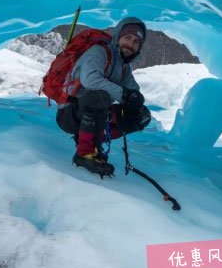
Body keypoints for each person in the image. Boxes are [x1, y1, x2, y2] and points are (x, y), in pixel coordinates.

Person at [56, 17, 152, 177]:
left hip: (93, 112)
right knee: (99, 95)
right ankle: (84, 154)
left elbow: (133, 92)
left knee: (141, 116)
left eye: (136, 42)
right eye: (127, 38)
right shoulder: (99, 52)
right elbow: (91, 80)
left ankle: (92, 139)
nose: (131, 44)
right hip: (69, 114)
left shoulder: (124, 68)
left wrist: (135, 100)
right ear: (118, 37)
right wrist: (124, 95)